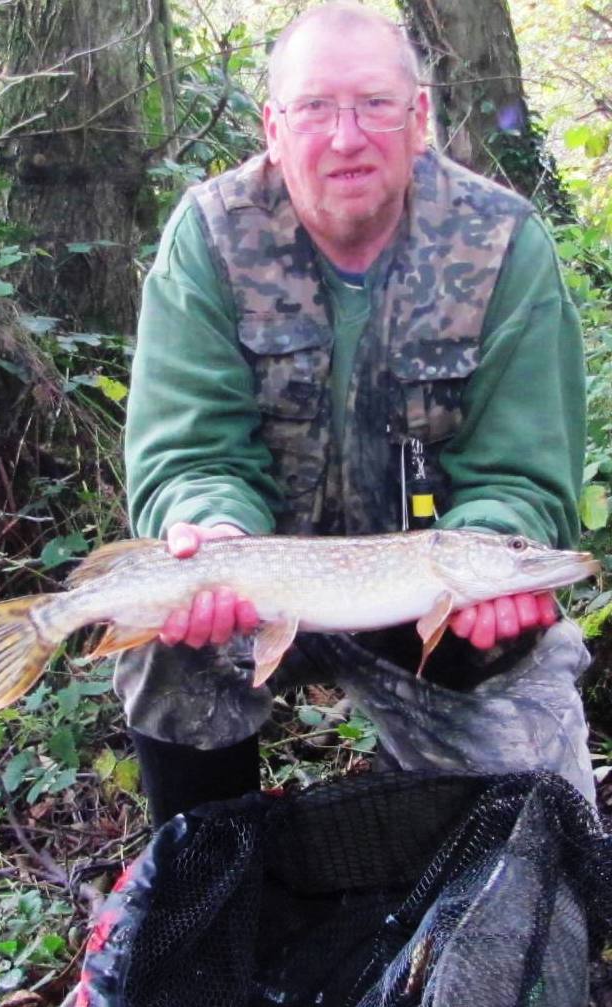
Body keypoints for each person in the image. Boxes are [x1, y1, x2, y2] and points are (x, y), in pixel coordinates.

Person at [117, 2, 594, 827]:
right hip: (258, 593)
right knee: (171, 646)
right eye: (315, 108)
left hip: (428, 614)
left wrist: (501, 529)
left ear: (419, 120)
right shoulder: (210, 237)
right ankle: (212, 893)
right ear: (274, 124)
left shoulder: (502, 243)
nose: (346, 137)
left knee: (540, 795)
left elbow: (522, 469)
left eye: (376, 105)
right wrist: (211, 526)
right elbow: (189, 450)